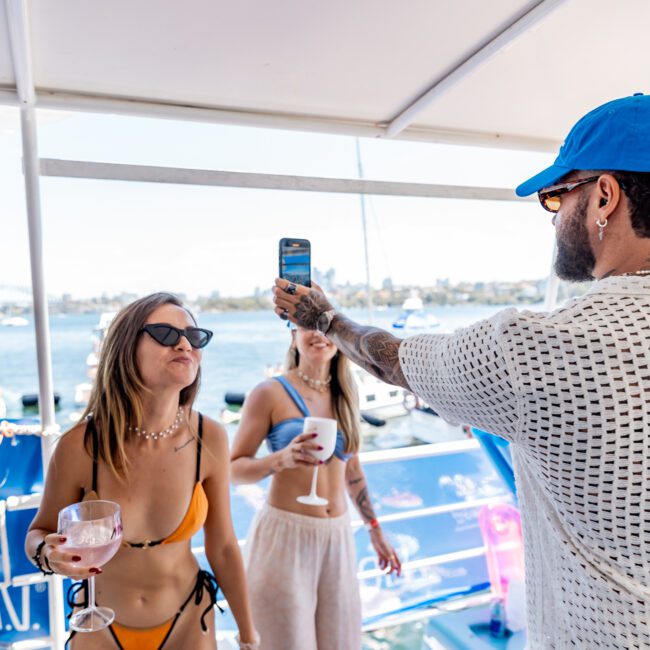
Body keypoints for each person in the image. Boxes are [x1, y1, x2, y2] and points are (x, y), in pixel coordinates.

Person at [272, 93, 650, 649]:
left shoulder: (546, 347)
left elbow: (392, 359)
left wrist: (322, 317)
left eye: (555, 198)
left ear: (604, 196)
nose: (553, 219)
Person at [25, 293, 259, 650]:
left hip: (188, 619)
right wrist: (47, 553)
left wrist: (247, 634)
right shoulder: (81, 446)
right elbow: (38, 533)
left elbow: (224, 547)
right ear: (125, 346)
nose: (184, 344)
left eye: (194, 337)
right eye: (166, 333)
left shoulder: (209, 437)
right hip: (100, 627)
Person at [230, 325, 401, 650]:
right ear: (292, 335)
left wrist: (375, 528)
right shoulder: (268, 393)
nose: (318, 334)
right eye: (307, 325)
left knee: (340, 641)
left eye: (325, 325)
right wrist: (280, 459)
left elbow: (352, 468)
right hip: (285, 538)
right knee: (285, 642)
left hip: (337, 538)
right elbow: (233, 469)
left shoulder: (346, 395)